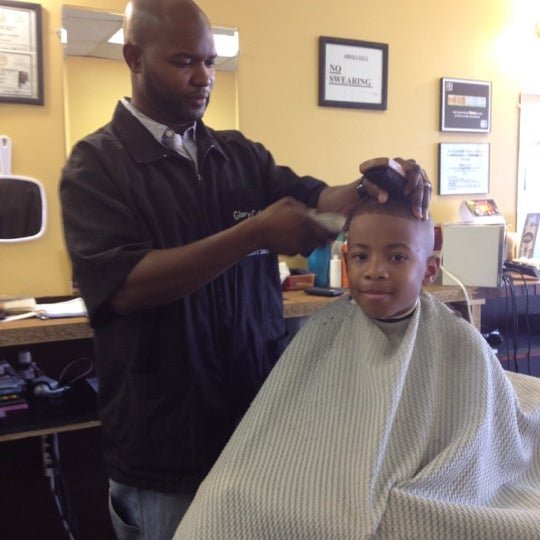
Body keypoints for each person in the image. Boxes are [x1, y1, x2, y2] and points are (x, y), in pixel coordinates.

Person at [59, 1, 431, 538]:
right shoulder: (97, 166)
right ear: (134, 58)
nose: (203, 78)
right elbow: (124, 286)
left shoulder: (238, 155)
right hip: (166, 450)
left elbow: (320, 199)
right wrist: (253, 234)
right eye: (185, 61)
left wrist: (374, 185)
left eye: (211, 62)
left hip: (257, 429)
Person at [174, 198, 540, 539]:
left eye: (397, 258)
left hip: (429, 482)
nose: (374, 271)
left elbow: (478, 443)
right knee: (221, 501)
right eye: (361, 256)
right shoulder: (325, 331)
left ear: (429, 269)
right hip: (324, 479)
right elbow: (288, 432)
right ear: (346, 261)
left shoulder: (460, 342)